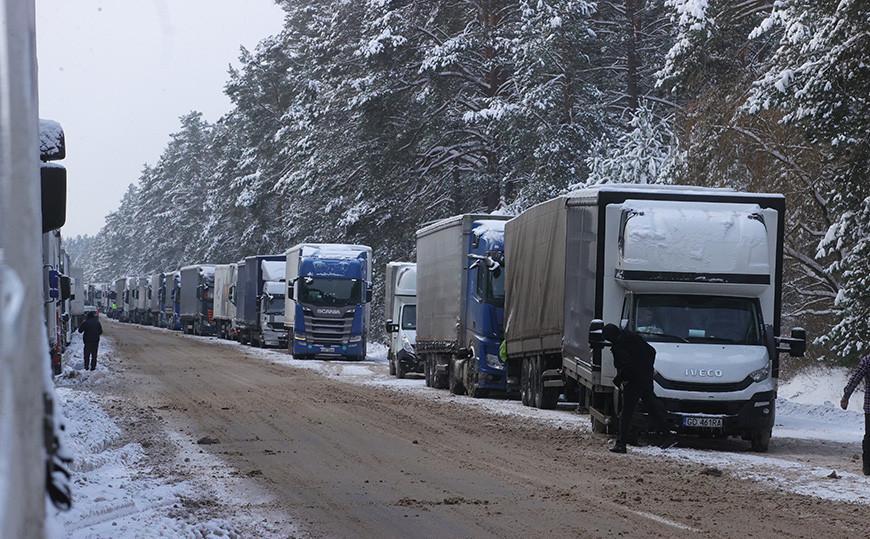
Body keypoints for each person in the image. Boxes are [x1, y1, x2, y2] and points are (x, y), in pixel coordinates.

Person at [603, 323, 670, 453]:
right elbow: (651, 352)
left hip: (633, 381)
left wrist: (620, 379)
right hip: (644, 378)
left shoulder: (620, 346)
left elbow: (627, 366)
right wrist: (646, 370)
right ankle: (667, 435)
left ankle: (621, 443)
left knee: (626, 412)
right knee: (651, 406)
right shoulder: (632, 337)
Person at [840, 354, 870, 475]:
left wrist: (846, 396)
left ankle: (868, 467)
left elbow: (854, 379)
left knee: (869, 436)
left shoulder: (867, 360)